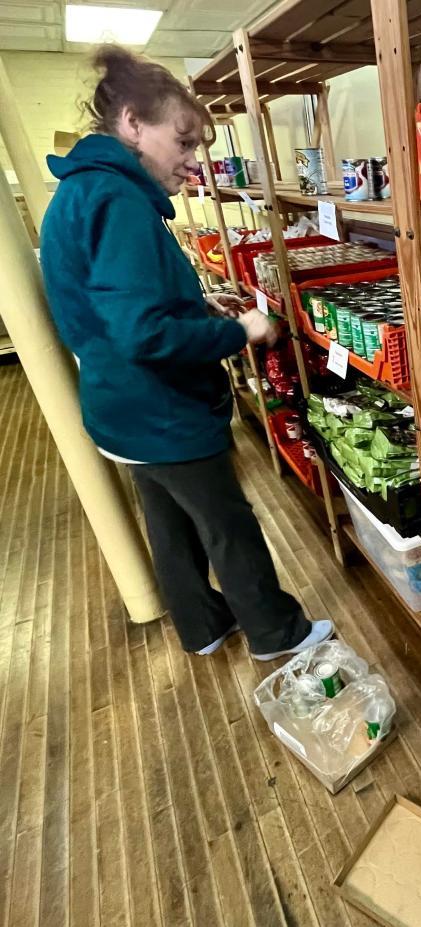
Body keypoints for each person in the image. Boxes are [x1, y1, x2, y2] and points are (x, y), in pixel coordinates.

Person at [40, 45, 333, 660]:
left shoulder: (83, 190)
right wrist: (243, 332)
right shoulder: (118, 202)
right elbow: (144, 334)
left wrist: (197, 309)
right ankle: (277, 635)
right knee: (228, 527)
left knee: (169, 526)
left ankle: (203, 627)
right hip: (161, 411)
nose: (192, 161)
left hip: (119, 410)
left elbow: (117, 305)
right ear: (132, 124)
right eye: (184, 141)